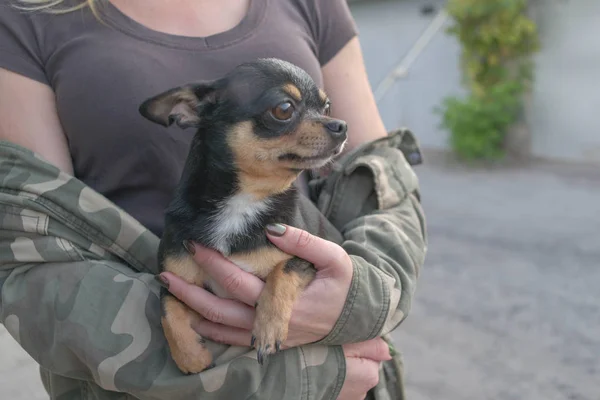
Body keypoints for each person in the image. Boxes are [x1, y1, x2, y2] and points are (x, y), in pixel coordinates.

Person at [0, 0, 427, 399]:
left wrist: (359, 299)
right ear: (187, 111)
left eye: (323, 109)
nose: (331, 125)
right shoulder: (25, 16)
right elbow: (36, 261)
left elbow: (382, 184)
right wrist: (292, 375)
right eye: (284, 111)